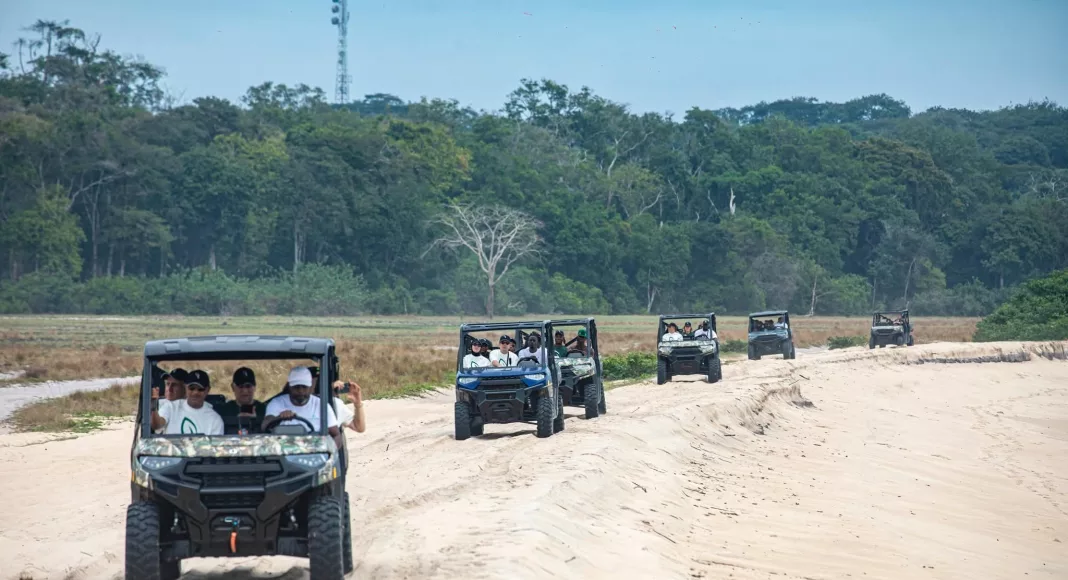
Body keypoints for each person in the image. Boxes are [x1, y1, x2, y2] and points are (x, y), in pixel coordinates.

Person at [263, 366, 342, 449]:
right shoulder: (277, 403)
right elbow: (265, 425)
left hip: (314, 454)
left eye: (304, 387)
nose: (300, 391)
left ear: (310, 386)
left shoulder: (321, 405)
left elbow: (336, 435)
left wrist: (329, 453)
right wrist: (279, 418)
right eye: (297, 387)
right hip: (283, 451)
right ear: (289, 386)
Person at [151, 369, 224, 435]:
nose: (195, 392)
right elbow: (157, 426)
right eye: (191, 388)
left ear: (207, 390)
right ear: (186, 387)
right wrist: (153, 406)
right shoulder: (170, 407)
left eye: (200, 389)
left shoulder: (215, 419)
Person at [215, 367, 266, 434]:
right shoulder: (223, 411)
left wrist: (255, 422)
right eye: (241, 386)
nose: (245, 391)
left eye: (248, 386)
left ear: (254, 387)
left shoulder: (265, 410)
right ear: (233, 387)